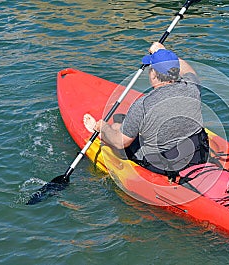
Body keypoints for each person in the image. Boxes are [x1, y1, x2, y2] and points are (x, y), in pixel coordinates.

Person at [84, 42, 209, 181]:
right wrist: (163, 52)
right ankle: (125, 126)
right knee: (129, 124)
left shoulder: (143, 104)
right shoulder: (192, 87)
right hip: (198, 155)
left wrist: (103, 127)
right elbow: (188, 70)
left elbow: (121, 143)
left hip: (165, 165)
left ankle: (100, 131)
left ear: (154, 74)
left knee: (115, 128)